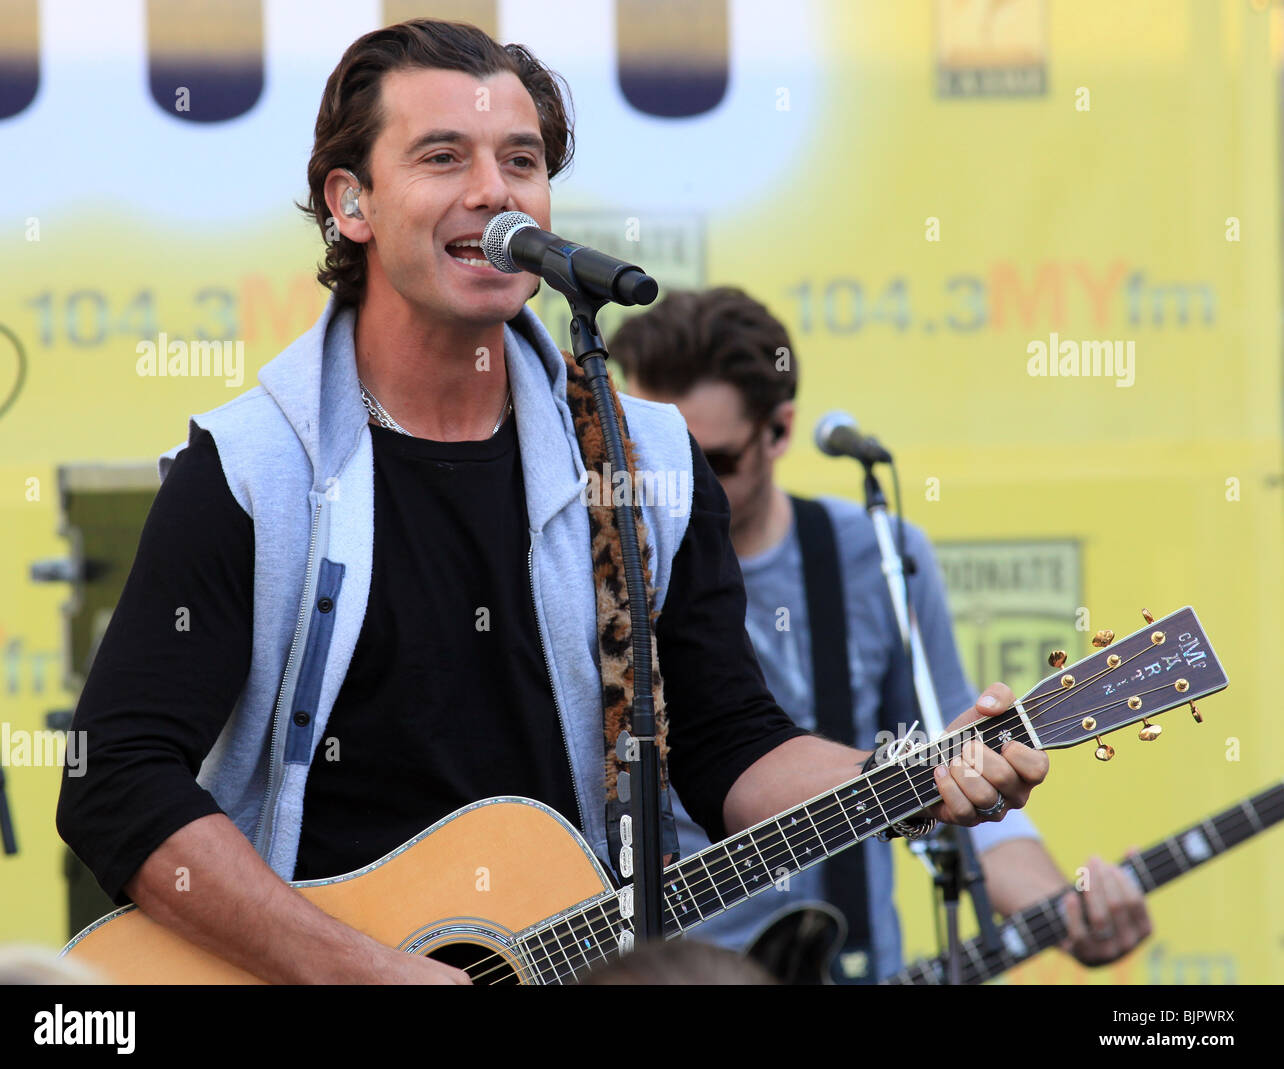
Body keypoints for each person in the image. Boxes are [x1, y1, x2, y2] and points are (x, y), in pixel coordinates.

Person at [55, 20, 1047, 986]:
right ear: (350, 202)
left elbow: (726, 745)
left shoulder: (646, 459)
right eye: (443, 157)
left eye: (520, 162)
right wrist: (356, 969)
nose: (493, 193)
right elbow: (117, 782)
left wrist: (914, 779)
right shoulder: (251, 466)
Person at [611, 287, 1151, 982]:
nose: (677, 487)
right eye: (652, 461)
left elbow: (960, 756)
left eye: (710, 462)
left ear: (779, 431)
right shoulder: (603, 565)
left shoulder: (875, 554)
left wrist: (1063, 910)